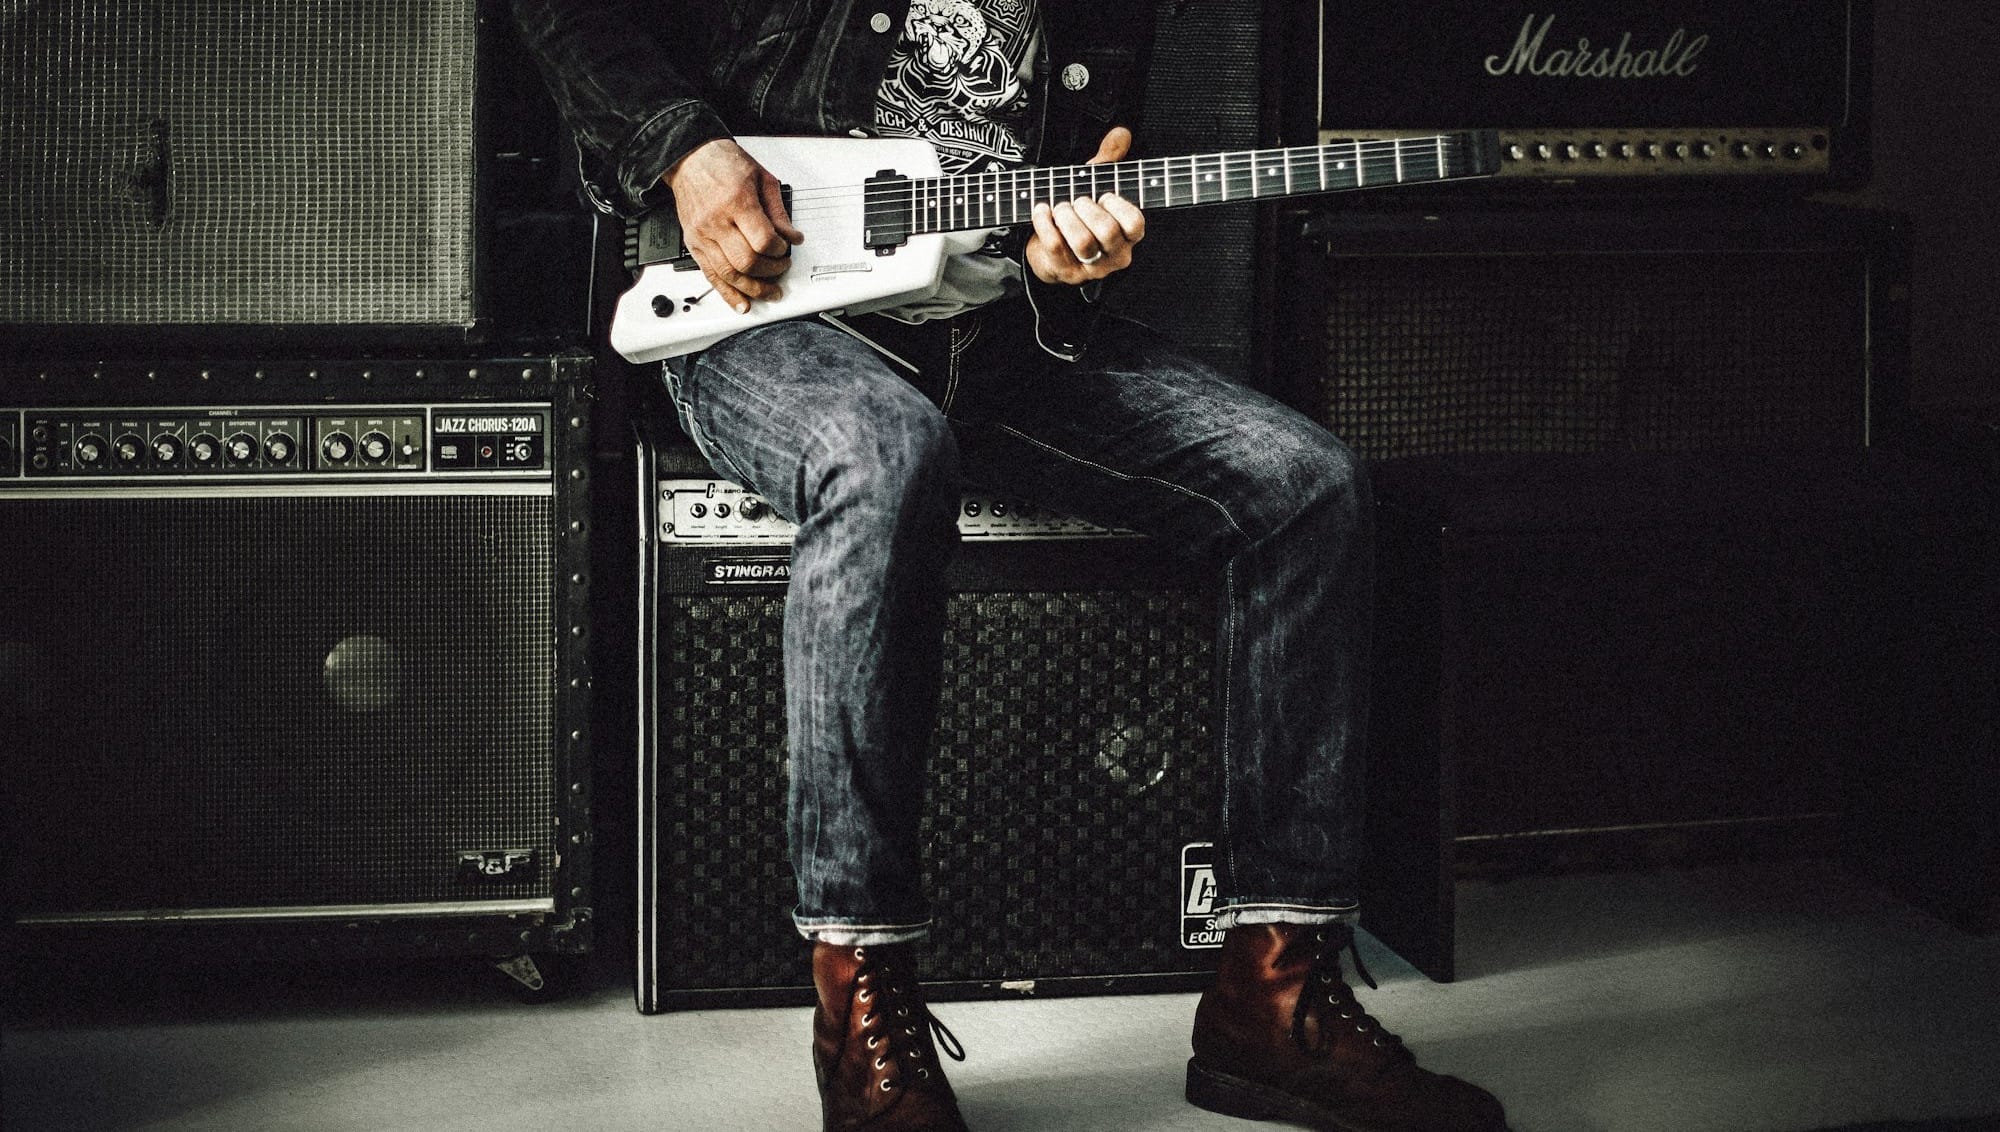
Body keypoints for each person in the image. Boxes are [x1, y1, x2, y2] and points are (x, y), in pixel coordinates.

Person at [513, 2, 1506, 1129]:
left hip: (995, 338)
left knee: (1306, 485)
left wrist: (1073, 261)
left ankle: (1271, 1001)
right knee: (882, 451)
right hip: (762, 316)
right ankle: (861, 1002)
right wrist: (686, 152)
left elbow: (1078, 197)